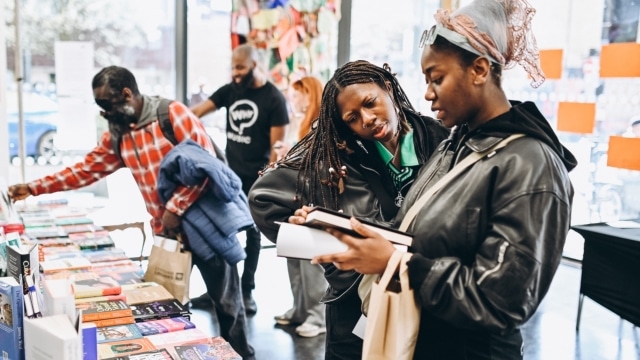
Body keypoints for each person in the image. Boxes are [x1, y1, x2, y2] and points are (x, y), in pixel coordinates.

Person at [309, 0, 577, 358]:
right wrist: (341, 229)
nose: (427, 93)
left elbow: (499, 301)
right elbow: (418, 230)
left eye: (437, 79)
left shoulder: (530, 165)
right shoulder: (457, 144)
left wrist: (396, 262)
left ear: (479, 70)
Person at [7, 66, 256, 360]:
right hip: (167, 236)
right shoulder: (119, 134)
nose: (103, 113)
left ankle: (241, 354)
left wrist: (174, 209)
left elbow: (208, 167)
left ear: (126, 94)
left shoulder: (172, 115)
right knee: (163, 306)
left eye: (106, 105)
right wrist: (34, 187)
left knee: (227, 304)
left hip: (206, 228)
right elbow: (84, 171)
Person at [249, 60, 449, 359]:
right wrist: (331, 250)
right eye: (352, 117)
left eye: (371, 103)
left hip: (426, 301)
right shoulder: (340, 154)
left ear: (389, 88)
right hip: (354, 312)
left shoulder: (440, 140)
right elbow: (262, 197)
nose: (367, 119)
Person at [191, 44, 289, 314]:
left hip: (256, 179)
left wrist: (266, 184)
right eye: (233, 67)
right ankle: (218, 289)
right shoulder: (231, 91)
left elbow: (277, 149)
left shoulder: (274, 99)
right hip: (227, 175)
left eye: (240, 67)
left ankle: (246, 291)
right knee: (220, 230)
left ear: (255, 66)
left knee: (252, 236)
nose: (235, 73)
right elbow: (193, 115)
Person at [272, 75, 328, 338]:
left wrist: (289, 152)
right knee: (293, 256)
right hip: (296, 197)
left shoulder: (322, 124)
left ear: (309, 94)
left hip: (314, 199)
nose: (292, 101)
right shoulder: (300, 121)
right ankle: (300, 309)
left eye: (297, 95)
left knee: (310, 261)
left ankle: (317, 317)